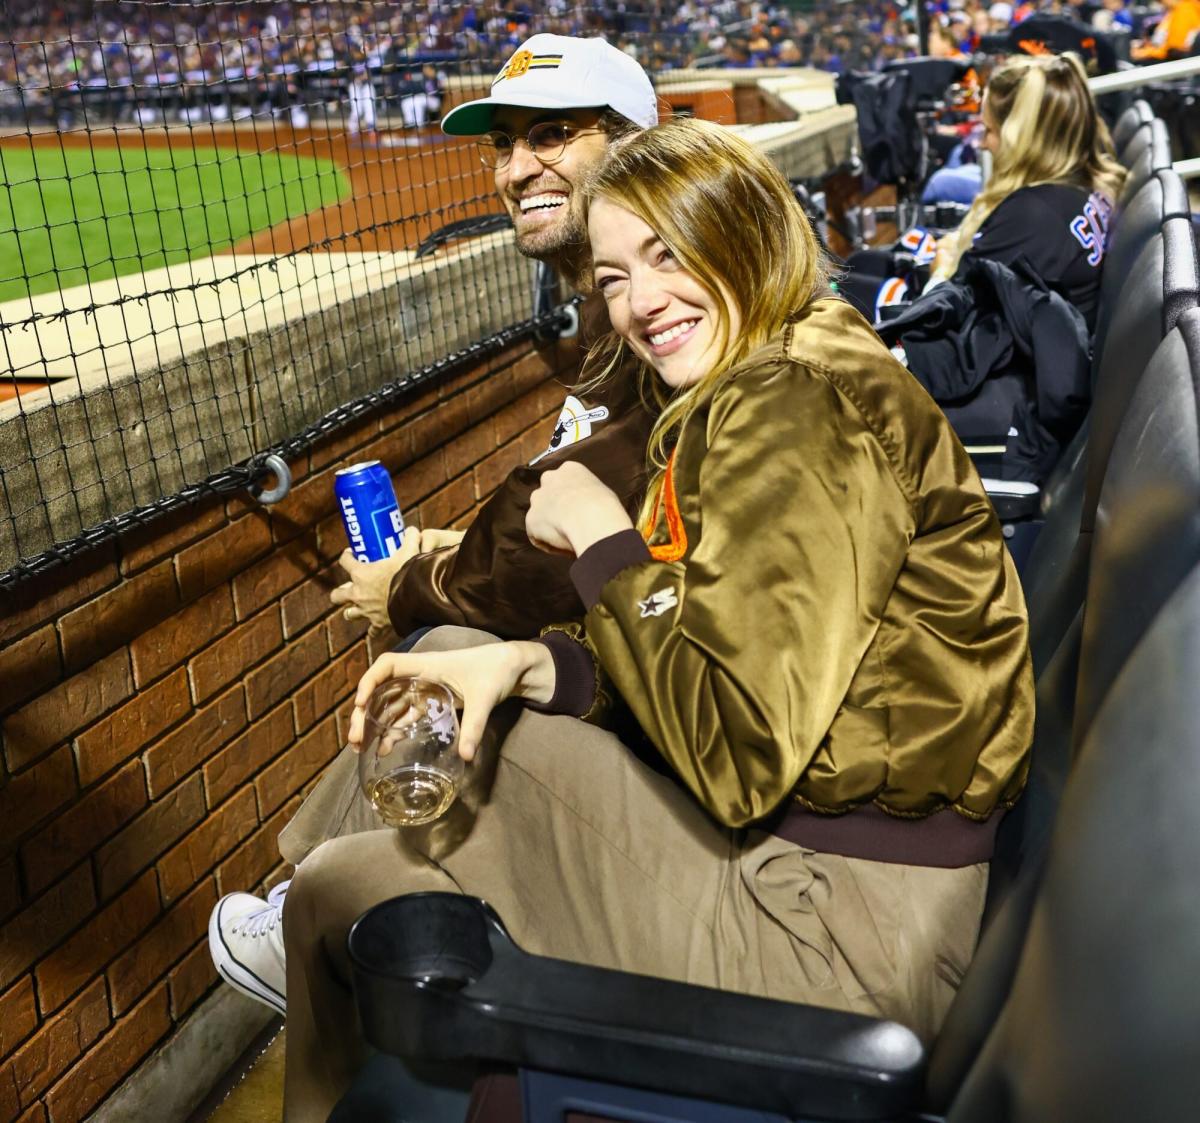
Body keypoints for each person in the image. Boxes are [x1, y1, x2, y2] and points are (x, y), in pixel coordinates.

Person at [280, 117, 1035, 1121]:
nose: (639, 304)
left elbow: (736, 754)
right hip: (815, 857)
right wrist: (532, 665)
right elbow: (714, 640)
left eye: (667, 255)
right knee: (454, 669)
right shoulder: (777, 362)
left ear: (747, 236)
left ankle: (309, 951)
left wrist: (601, 542)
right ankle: (296, 921)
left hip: (831, 936)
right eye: (612, 278)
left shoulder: (800, 413)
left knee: (341, 890)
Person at [208, 33, 659, 1017]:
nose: (514, 169)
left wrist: (408, 585)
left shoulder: (656, 312)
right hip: (648, 664)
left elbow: (604, 522)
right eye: (503, 146)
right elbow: (588, 522)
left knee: (441, 644)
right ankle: (317, 898)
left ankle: (322, 909)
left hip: (680, 735)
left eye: (552, 136)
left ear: (634, 145)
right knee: (448, 641)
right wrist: (464, 553)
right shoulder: (612, 299)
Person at [929, 52, 1126, 331]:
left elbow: (941, 317)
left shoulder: (1032, 215)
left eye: (989, 130)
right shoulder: (1087, 183)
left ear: (1022, 140)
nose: (983, 144)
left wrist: (939, 267)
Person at [1131, 0, 1200, 60]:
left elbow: (1174, 48)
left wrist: (1146, 53)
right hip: (1168, 54)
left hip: (1176, 59)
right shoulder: (1175, 11)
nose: (1162, 3)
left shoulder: (1185, 11)